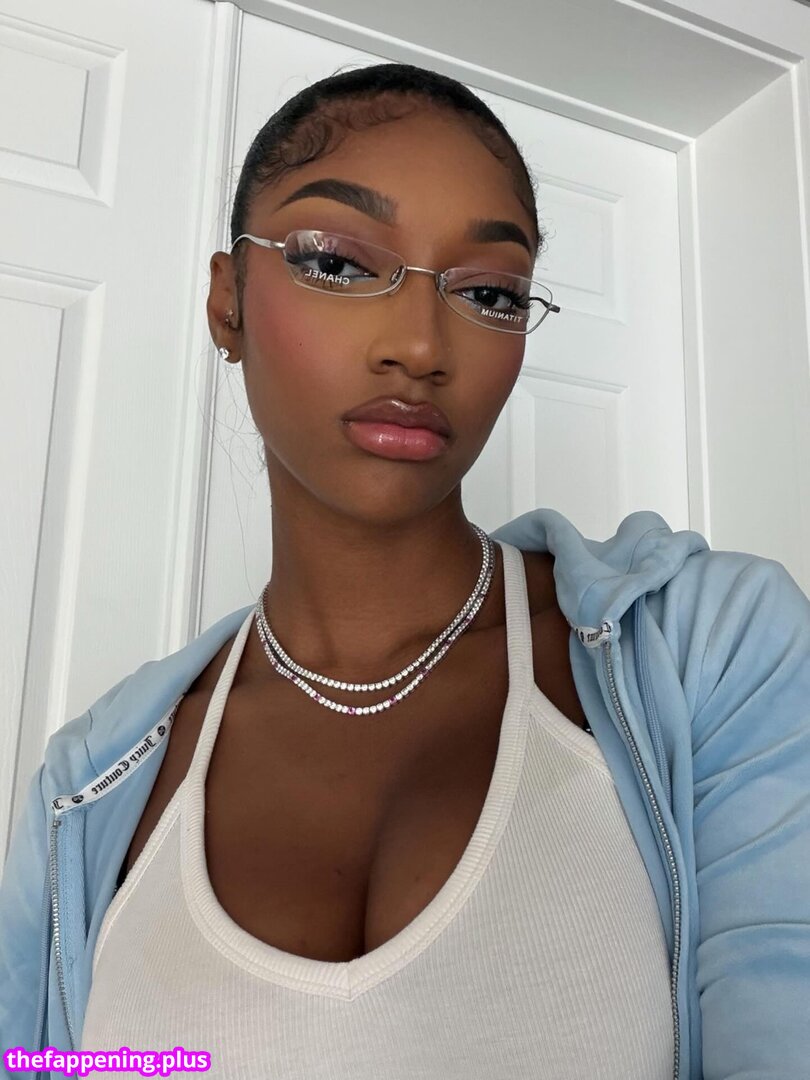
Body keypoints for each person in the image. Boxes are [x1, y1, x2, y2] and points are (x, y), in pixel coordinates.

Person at [1, 62, 809, 1080]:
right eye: (339, 264)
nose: (421, 346)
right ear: (227, 302)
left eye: (489, 292)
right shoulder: (87, 790)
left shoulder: (713, 652)